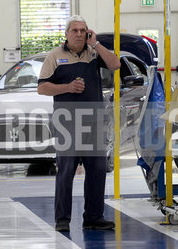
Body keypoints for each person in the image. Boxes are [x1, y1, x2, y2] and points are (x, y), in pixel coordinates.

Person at [37, 15, 121, 232]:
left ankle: (93, 217)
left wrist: (97, 44)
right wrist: (67, 88)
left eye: (83, 30)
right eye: (74, 30)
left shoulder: (94, 53)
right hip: (67, 123)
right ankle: (62, 219)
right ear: (66, 33)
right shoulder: (55, 56)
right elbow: (42, 87)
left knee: (97, 170)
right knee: (66, 172)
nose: (79, 34)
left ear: (88, 33)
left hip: (93, 121)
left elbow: (115, 64)